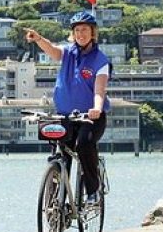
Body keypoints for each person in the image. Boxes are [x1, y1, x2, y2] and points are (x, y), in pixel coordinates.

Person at [25, 12, 110, 205]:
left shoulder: (100, 60)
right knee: (61, 153)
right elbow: (53, 51)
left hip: (91, 118)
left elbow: (99, 89)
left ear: (93, 32)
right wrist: (38, 39)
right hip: (65, 115)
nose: (81, 34)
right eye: (77, 30)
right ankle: (56, 204)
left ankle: (93, 191)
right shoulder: (69, 53)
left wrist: (96, 108)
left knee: (83, 145)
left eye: (85, 30)